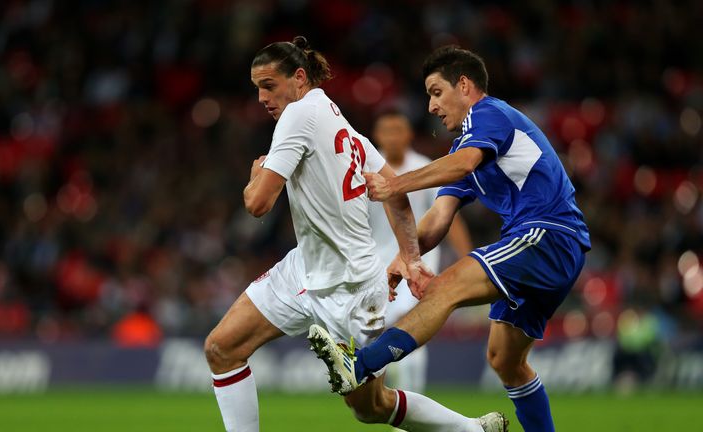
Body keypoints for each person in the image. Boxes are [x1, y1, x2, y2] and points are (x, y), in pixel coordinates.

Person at [204, 37, 506, 432]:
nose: (261, 97)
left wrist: (255, 177)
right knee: (222, 348)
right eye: (256, 87)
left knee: (371, 407)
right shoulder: (339, 122)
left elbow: (258, 205)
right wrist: (411, 256)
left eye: (269, 85)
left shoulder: (297, 116)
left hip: (351, 288)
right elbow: (395, 193)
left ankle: (471, 430)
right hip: (304, 270)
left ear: (298, 78)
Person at [310, 45, 590, 432]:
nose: (431, 107)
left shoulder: (489, 114)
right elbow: (438, 218)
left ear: (464, 85)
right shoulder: (464, 146)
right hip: (549, 247)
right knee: (505, 360)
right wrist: (405, 258)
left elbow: (463, 164)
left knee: (443, 289)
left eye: (436, 92)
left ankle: (359, 365)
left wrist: (393, 186)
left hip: (548, 234)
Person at [367, 110, 473, 403]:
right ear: (377, 137)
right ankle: (379, 402)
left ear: (408, 135)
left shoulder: (423, 168)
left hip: (418, 264)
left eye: (397, 130)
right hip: (378, 266)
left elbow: (447, 214)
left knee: (412, 332)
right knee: (375, 335)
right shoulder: (365, 171)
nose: (392, 137)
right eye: (386, 131)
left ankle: (411, 408)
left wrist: (466, 258)